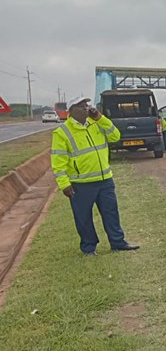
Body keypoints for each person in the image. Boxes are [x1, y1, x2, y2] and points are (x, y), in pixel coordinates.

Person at [50, 96, 140, 256]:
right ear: (71, 111)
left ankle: (118, 242)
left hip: (105, 179)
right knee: (83, 217)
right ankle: (89, 247)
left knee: (111, 212)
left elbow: (115, 136)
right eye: (81, 105)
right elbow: (58, 161)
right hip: (80, 183)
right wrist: (64, 184)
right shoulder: (62, 132)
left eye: (87, 104)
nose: (86, 108)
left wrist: (100, 118)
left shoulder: (97, 123)